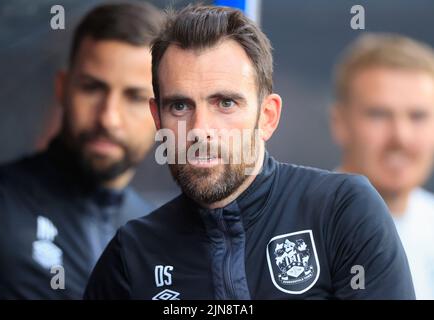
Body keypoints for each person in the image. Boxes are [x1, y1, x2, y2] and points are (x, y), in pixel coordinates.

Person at [84, 5, 414, 300]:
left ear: (267, 116)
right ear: (158, 118)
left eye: (225, 103)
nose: (200, 129)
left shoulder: (340, 211)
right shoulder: (131, 255)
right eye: (180, 105)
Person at [0, 2, 162, 299]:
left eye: (134, 97)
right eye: (92, 87)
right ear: (62, 88)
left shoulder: (160, 236)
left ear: (162, 112)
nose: (108, 117)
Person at [330, 33, 434, 299]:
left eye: (418, 116)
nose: (401, 137)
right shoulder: (300, 228)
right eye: (379, 115)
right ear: (340, 122)